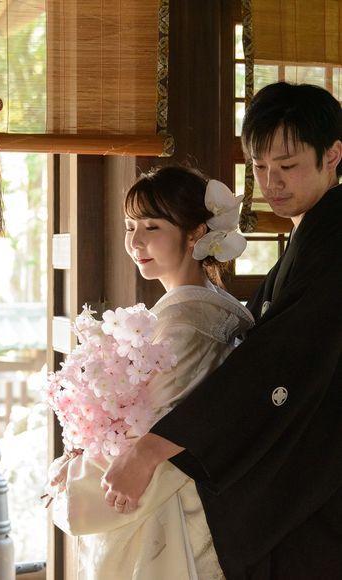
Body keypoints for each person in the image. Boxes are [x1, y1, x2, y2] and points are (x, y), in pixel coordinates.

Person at [102, 81, 342, 579]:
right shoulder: (313, 230)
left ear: (333, 155)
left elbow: (278, 358)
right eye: (259, 166)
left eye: (288, 165)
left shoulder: (334, 238)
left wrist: (151, 447)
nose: (271, 182)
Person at [47, 165, 253, 579]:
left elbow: (154, 434)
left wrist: (70, 476)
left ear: (195, 234)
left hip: (171, 506)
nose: (135, 241)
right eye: (130, 227)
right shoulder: (204, 308)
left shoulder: (187, 325)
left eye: (152, 227)